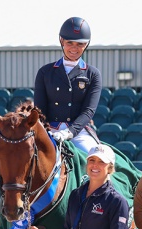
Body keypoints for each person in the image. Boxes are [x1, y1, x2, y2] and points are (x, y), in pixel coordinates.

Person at [34, 16, 101, 154]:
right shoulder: (45, 72)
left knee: (94, 157)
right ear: (61, 41)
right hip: (49, 130)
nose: (74, 48)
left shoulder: (92, 74)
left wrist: (69, 132)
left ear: (86, 45)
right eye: (70, 42)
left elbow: (88, 111)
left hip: (78, 132)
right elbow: (40, 109)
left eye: (80, 44)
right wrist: (46, 130)